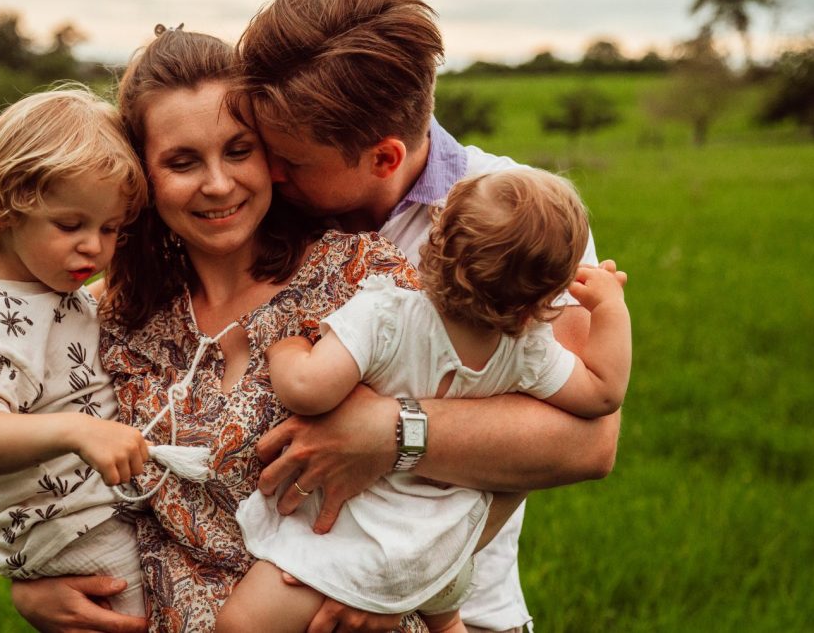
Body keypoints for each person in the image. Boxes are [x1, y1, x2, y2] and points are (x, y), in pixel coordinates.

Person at [231, 0, 622, 633]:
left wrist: (393, 433)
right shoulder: (255, 204)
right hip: (262, 587)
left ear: (384, 156)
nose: (268, 173)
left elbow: (585, 441)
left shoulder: (520, 221)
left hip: (457, 613)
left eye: (292, 161)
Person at [223, 167, 631, 633]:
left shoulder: (387, 318)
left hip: (373, 538)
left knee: (239, 624)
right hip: (447, 553)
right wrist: (610, 310)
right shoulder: (528, 352)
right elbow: (603, 392)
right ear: (539, 302)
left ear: (434, 244)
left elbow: (308, 390)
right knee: (446, 618)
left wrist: (288, 348)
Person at [0, 86, 150, 617]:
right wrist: (78, 430)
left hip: (88, 514)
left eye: (110, 229)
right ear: (6, 208)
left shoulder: (45, 290)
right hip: (68, 533)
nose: (94, 247)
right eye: (70, 225)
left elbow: (63, 322)